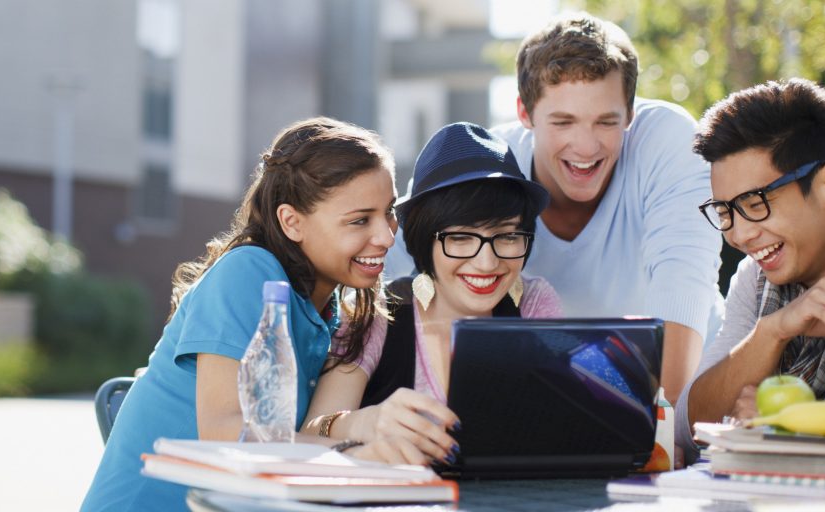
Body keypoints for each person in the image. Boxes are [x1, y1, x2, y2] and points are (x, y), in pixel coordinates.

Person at [391, 13, 724, 406]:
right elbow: (397, 267)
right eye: (563, 122)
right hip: (547, 391)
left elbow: (683, 282)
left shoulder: (667, 139)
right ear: (525, 114)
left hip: (685, 388)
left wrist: (664, 429)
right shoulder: (488, 165)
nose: (585, 147)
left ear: (630, 115)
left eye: (606, 122)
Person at [82, 117, 402, 511]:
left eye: (389, 212)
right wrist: (363, 450)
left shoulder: (336, 313)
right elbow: (226, 434)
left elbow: (295, 445)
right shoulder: (249, 271)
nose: (387, 235)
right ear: (292, 222)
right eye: (359, 220)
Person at [300, 122, 562, 465]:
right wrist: (363, 428)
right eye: (460, 238)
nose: (487, 262)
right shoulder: (379, 312)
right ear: (426, 239)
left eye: (508, 236)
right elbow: (311, 432)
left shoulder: (534, 303)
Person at [677, 78, 825, 458]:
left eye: (755, 203)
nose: (739, 234)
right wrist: (771, 332)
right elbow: (688, 426)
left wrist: (796, 427)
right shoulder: (755, 279)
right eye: (724, 212)